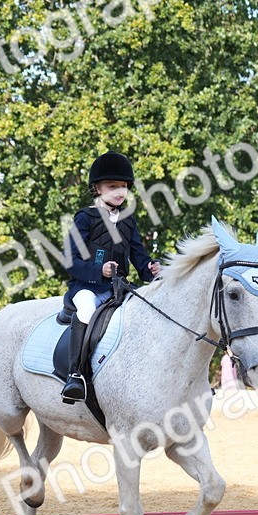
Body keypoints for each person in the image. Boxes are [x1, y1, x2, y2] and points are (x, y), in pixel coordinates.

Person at [60, 150, 160, 401]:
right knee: (85, 310)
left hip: (120, 288)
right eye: (112, 186)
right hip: (87, 287)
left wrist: (151, 269)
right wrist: (98, 270)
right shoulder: (86, 218)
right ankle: (75, 375)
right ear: (97, 188)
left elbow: (139, 258)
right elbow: (70, 260)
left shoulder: (128, 220)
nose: (119, 191)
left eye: (124, 186)